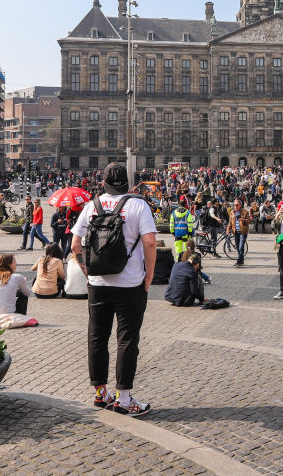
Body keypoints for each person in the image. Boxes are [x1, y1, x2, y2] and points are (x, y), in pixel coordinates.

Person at [70, 162, 156, 416]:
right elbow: (150, 242)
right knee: (127, 339)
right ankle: (125, 398)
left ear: (104, 183)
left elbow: (75, 245)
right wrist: (148, 276)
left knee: (97, 338)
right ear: (127, 183)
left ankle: (100, 394)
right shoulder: (138, 205)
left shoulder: (91, 207)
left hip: (98, 284)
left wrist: (87, 272)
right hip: (130, 284)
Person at [0, 253, 38, 328]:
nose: (16, 264)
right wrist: (23, 282)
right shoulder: (17, 277)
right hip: (9, 312)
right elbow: (28, 293)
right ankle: (20, 315)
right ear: (9, 264)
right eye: (14, 262)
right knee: (21, 292)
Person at [169, 197, 197, 262]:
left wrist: (172, 231)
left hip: (177, 233)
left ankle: (179, 260)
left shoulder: (174, 213)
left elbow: (171, 223)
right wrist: (190, 232)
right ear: (185, 205)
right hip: (186, 233)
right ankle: (186, 260)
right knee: (187, 248)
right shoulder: (187, 213)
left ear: (178, 204)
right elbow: (190, 223)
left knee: (178, 248)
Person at [227, 198, 250, 266]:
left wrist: (243, 220)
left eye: (237, 205)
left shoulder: (245, 212)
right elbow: (230, 222)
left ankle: (239, 262)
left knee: (241, 247)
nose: (235, 206)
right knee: (237, 247)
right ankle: (241, 260)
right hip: (235, 232)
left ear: (240, 205)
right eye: (234, 205)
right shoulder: (232, 212)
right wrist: (228, 229)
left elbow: (249, 221)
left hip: (243, 232)